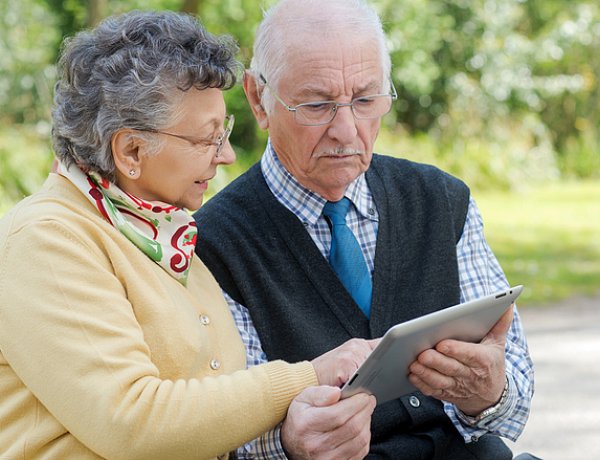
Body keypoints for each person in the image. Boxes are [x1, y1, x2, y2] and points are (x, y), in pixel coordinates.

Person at [0, 10, 378, 460]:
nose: (228, 156)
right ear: (131, 150)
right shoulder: (48, 241)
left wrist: (301, 428)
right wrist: (309, 376)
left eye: (226, 133)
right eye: (207, 139)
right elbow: (132, 423)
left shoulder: (164, 237)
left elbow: (212, 410)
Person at [194, 0, 536, 458]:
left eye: (365, 100)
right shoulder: (214, 243)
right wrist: (287, 442)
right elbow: (222, 427)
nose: (346, 130)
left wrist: (488, 394)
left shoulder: (440, 201)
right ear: (259, 99)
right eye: (318, 104)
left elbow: (513, 398)